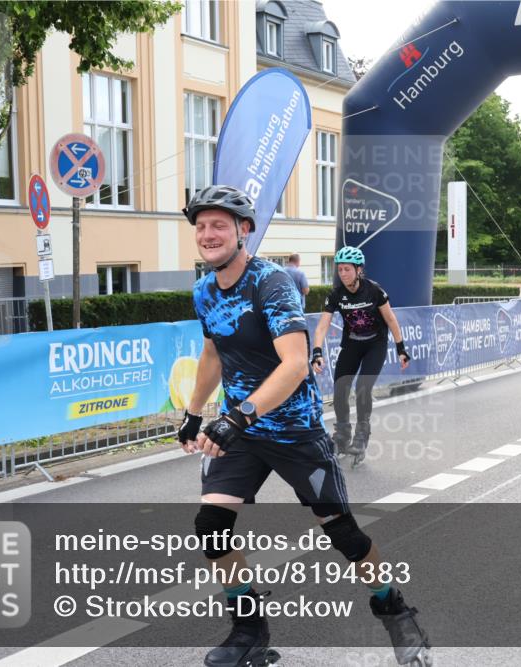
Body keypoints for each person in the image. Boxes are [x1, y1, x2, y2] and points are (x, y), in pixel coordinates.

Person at [178, 186, 431, 667]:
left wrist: (238, 415)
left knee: (343, 534)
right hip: (243, 433)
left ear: (243, 230)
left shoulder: (270, 282)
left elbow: (294, 364)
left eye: (218, 225)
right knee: (211, 526)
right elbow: (213, 353)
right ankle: (249, 629)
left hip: (294, 432)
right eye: (201, 226)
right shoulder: (204, 290)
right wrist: (194, 413)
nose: (208, 234)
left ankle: (396, 612)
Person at [310, 246, 411, 465]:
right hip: (353, 345)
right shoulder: (336, 295)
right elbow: (321, 327)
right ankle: (342, 434)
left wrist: (401, 348)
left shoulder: (374, 290)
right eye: (340, 270)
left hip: (375, 344)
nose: (343, 274)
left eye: (347, 269)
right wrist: (316, 352)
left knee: (362, 388)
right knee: (340, 389)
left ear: (358, 270)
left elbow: (391, 319)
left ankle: (361, 435)